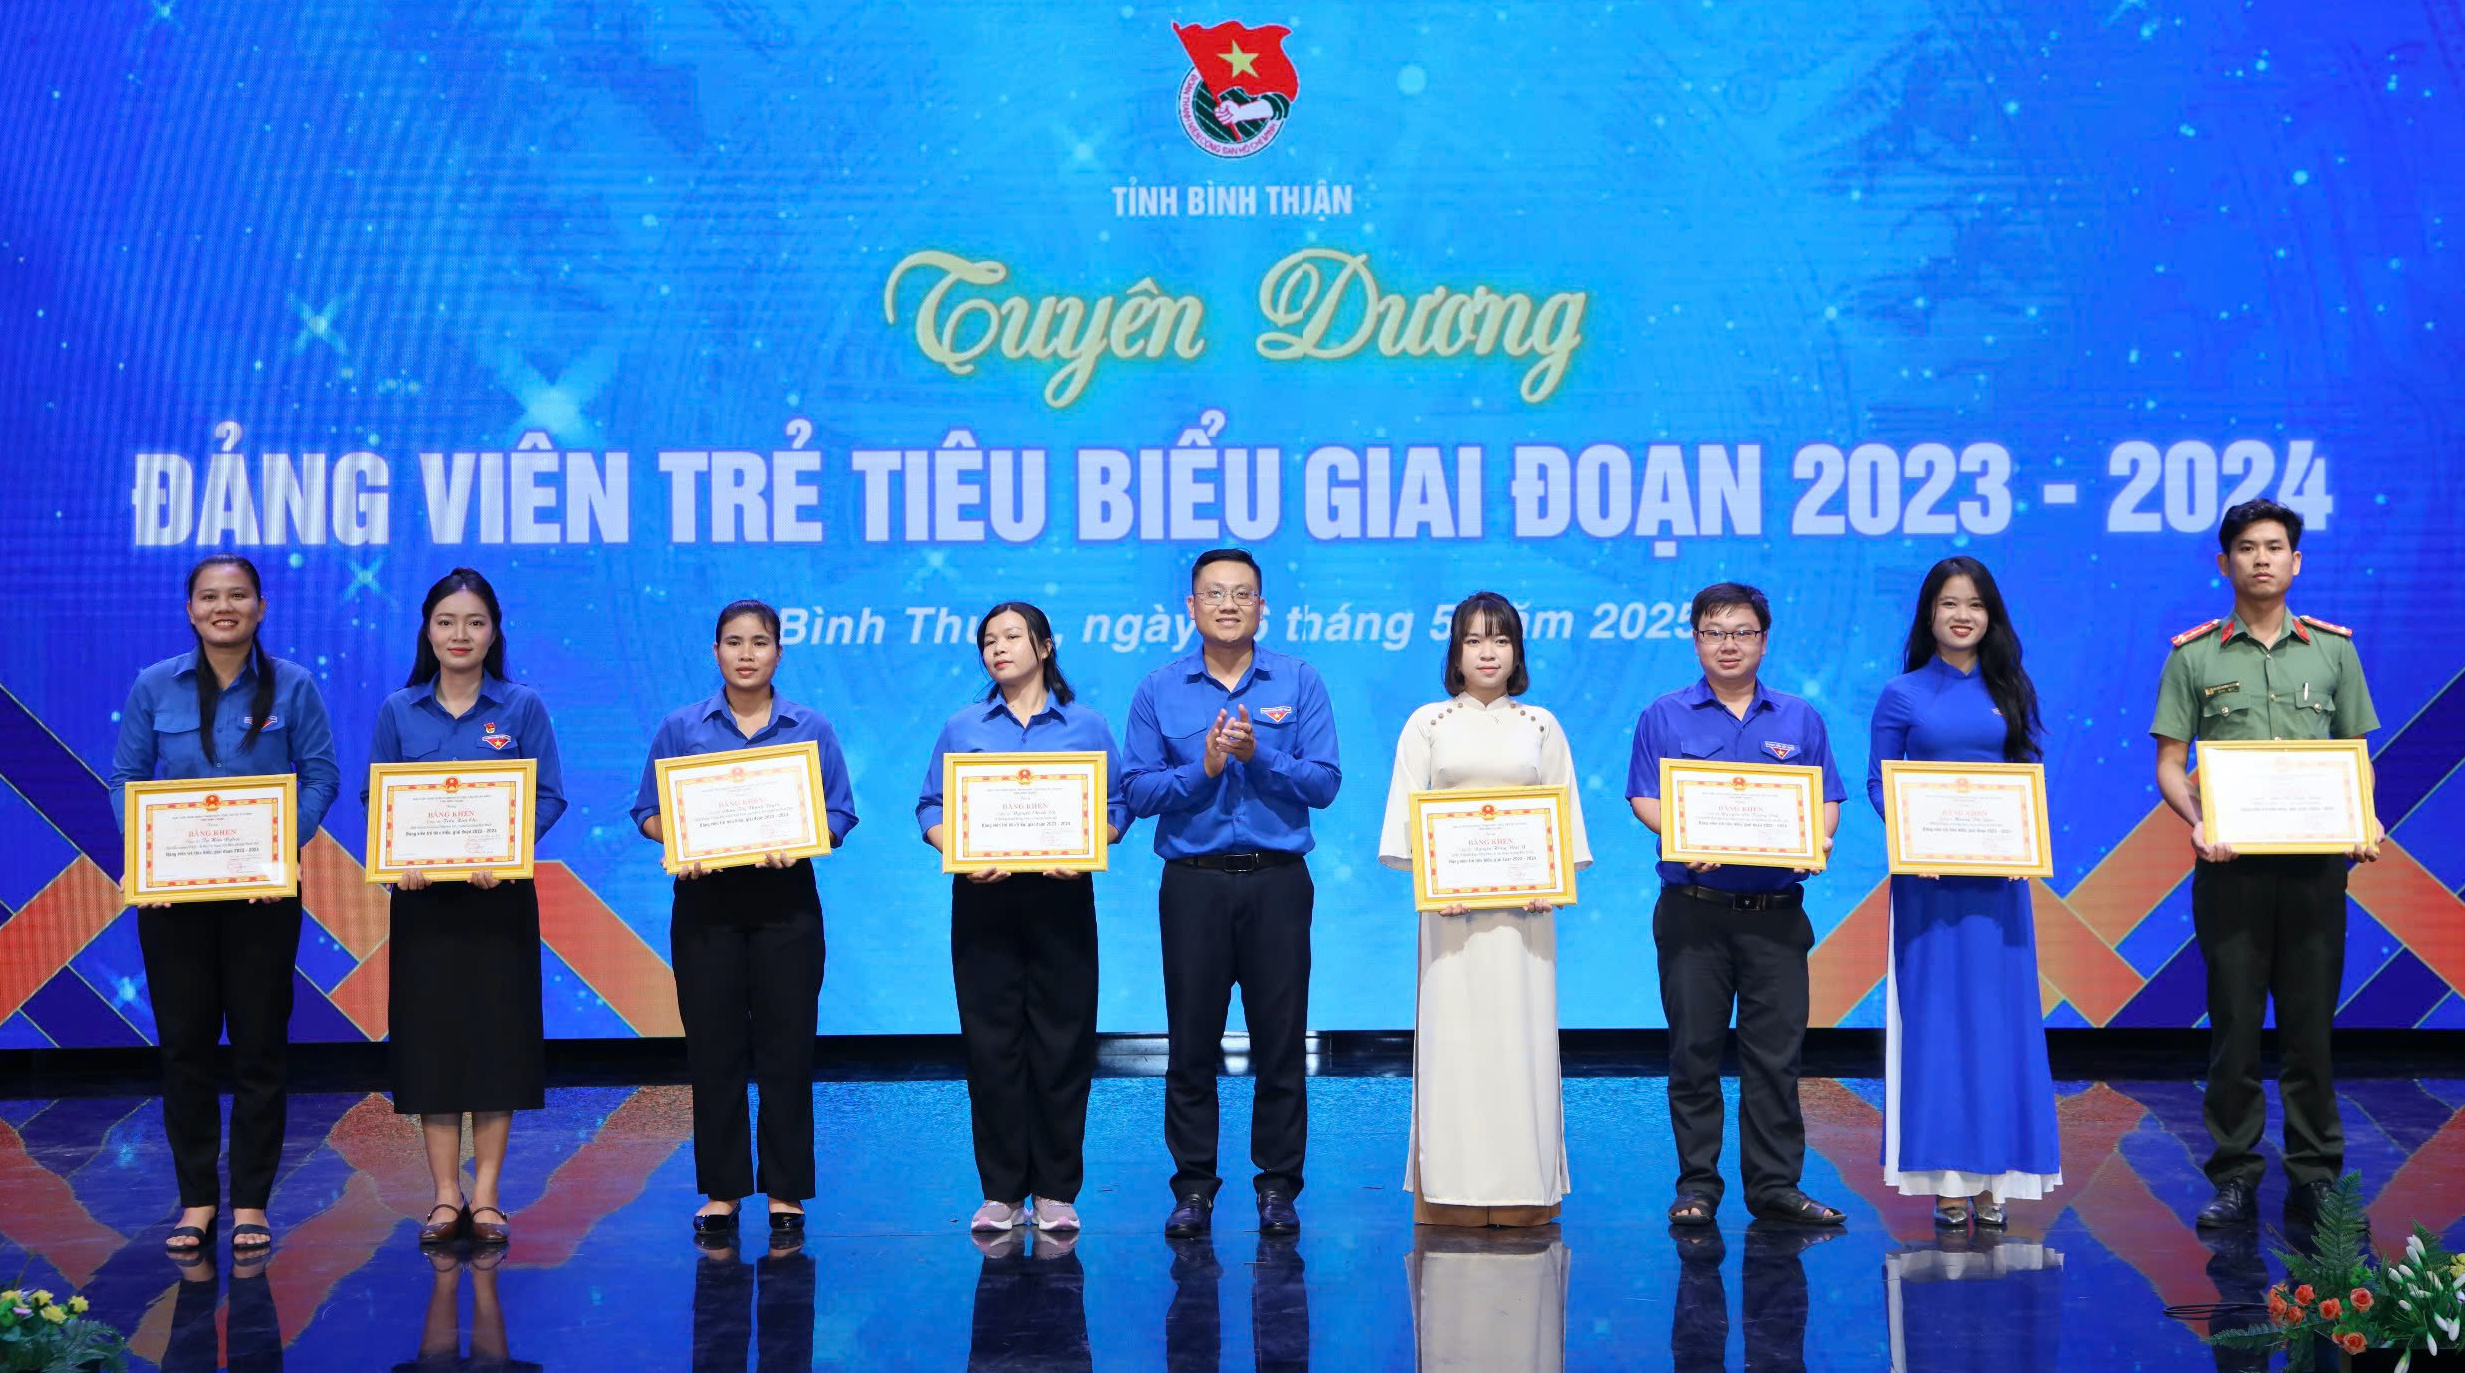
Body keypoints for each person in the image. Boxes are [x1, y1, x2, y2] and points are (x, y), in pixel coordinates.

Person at [2150, 498, 2381, 1227]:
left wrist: (2364, 818)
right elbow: (2169, 764)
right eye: (2247, 547)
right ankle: (2234, 1175)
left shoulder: (2333, 651)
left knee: (2310, 1029)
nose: (2261, 559)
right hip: (2231, 871)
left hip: (2315, 871)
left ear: (2295, 561)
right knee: (2235, 1028)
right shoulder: (2193, 655)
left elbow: (2355, 754)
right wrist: (2199, 822)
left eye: (2274, 547)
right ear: (2224, 563)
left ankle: (2314, 1174)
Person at [108, 553, 340, 1254]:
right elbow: (125, 778)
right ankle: (197, 1201)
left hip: (262, 895)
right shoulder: (154, 684)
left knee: (259, 1049)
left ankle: (253, 1204)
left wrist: (281, 844)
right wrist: (149, 849)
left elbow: (321, 776)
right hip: (175, 899)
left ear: (260, 607)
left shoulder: (294, 685)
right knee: (185, 1048)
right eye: (209, 597)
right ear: (190, 610)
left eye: (238, 595)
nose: (223, 607)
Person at [1121, 548, 1341, 1239]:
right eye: (1214, 593)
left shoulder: (1299, 679)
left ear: (1261, 606)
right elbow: (1137, 791)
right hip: (1194, 884)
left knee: (1281, 1040)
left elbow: (1324, 783)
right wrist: (1207, 767)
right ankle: (1193, 1187)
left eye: (1242, 593)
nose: (1228, 604)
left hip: (1277, 882)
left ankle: (1278, 1186)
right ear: (1191, 607)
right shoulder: (1158, 688)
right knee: (1191, 1042)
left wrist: (1258, 756)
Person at [632, 599, 858, 1242]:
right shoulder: (681, 727)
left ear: (778, 652)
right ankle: (723, 1190)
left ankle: (786, 1190)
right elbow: (647, 811)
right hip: (706, 905)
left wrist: (809, 837)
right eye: (733, 642)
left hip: (787, 903)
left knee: (788, 1049)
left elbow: (840, 813)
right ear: (716, 652)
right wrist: (682, 839)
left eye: (760, 642)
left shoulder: (810, 726)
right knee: (715, 1051)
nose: (747, 653)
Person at [1625, 582, 1846, 1229]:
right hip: (1692, 911)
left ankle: (1775, 1185)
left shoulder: (1799, 717)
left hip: (1775, 912)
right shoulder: (1664, 714)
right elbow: (1643, 795)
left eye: (1742, 632)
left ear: (1763, 640)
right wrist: (1681, 835)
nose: (1729, 644)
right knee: (1693, 1053)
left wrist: (1818, 839)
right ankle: (1696, 1185)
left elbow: (1825, 799)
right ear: (1695, 639)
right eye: (1714, 632)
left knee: (1774, 1058)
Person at [1377, 592, 1591, 1227]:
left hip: (1526, 918)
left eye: (1500, 640)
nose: (1488, 652)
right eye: (1474, 640)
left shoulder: (1541, 725)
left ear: (1518, 652)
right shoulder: (1428, 723)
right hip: (1452, 919)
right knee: (1455, 1046)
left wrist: (1550, 877)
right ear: (1456, 652)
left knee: (1523, 1043)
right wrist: (1435, 880)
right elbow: (1406, 815)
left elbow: (1564, 813)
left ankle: (1526, 1191)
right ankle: (1449, 1191)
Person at [917, 601, 1130, 1236]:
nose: (999, 649)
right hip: (984, 900)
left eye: (1012, 636)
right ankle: (1003, 1192)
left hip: (1062, 898)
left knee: (1063, 1044)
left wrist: (1090, 846)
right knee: (992, 1046)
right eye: (989, 641)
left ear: (1044, 645)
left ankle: (1057, 1191)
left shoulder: (1086, 724)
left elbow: (1118, 806)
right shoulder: (963, 726)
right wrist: (957, 851)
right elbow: (930, 807)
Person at [369, 568, 566, 1248]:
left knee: (495, 1044)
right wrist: (399, 858)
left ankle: (485, 1195)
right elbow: (376, 799)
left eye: (475, 622)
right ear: (428, 630)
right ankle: (444, 1194)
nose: (461, 634)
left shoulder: (521, 707)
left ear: (493, 632)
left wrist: (509, 849)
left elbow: (549, 795)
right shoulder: (399, 710)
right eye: (447, 621)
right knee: (433, 1048)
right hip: (424, 906)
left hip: (498, 904)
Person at [1867, 557, 2062, 1227]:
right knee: (1936, 1022)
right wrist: (1910, 842)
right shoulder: (1901, 694)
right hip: (1926, 888)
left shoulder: (2011, 688)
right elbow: (1879, 782)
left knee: (1997, 1022)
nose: (1961, 615)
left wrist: (2023, 845)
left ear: (1990, 616)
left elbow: (2026, 776)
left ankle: (1994, 1177)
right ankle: (1946, 1180)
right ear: (1929, 613)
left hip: (1998, 888)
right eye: (1949, 602)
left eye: (1974, 604)